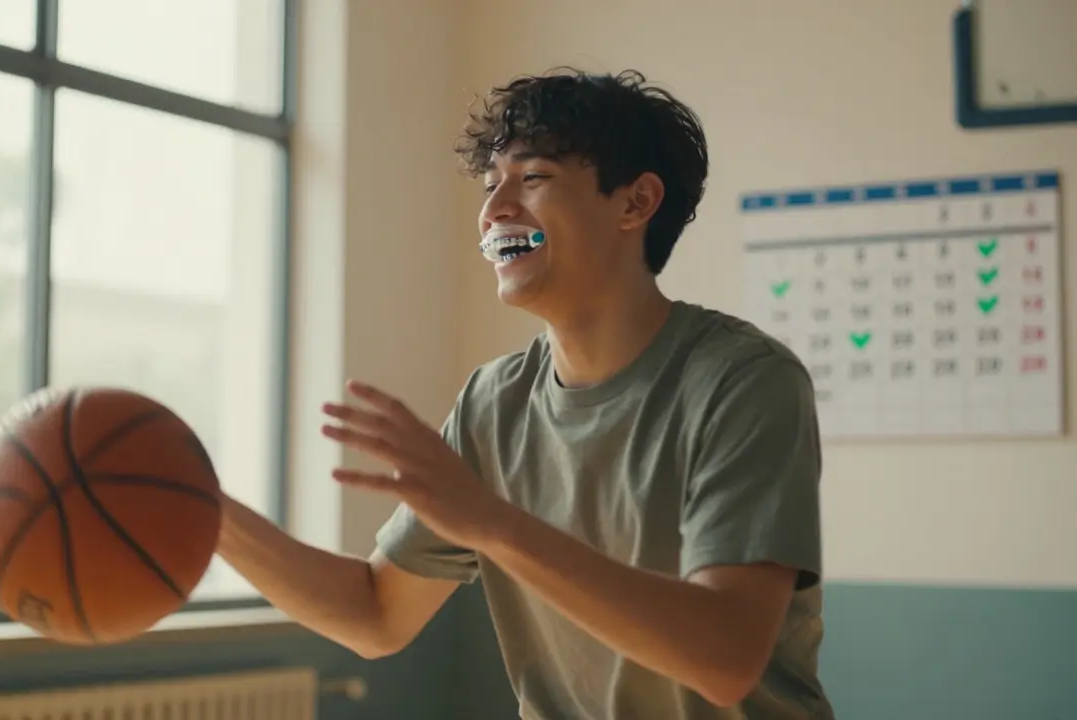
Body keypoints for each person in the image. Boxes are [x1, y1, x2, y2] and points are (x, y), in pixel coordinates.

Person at [217, 67, 834, 719]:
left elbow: (726, 657)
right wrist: (201, 509)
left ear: (635, 203)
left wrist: (490, 521)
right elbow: (376, 613)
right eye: (491, 187)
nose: (494, 211)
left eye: (532, 179)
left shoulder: (744, 380)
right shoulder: (493, 403)